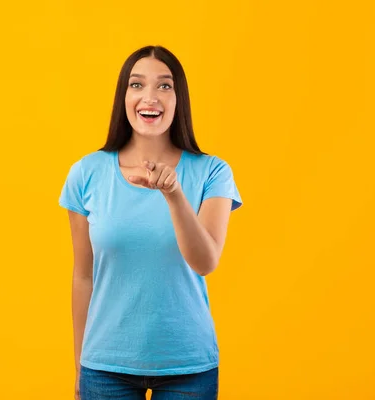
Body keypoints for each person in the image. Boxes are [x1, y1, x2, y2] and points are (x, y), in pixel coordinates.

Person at [59, 45, 242, 400]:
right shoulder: (86, 173)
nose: (150, 97)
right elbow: (83, 275)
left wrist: (174, 193)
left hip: (188, 366)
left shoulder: (213, 172)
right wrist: (80, 365)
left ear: (179, 99)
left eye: (165, 86)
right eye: (137, 84)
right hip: (105, 366)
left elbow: (205, 262)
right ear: (123, 96)